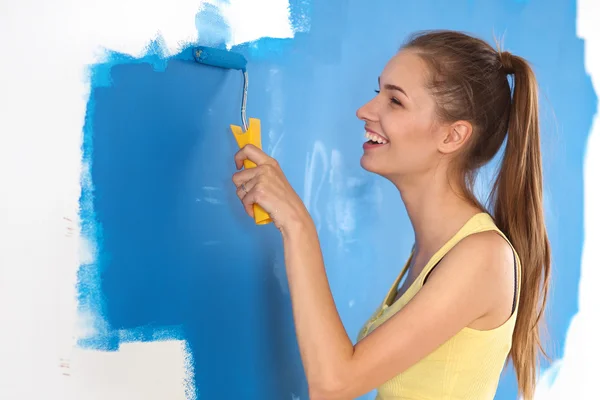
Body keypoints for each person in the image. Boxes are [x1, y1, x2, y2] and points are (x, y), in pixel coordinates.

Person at [231, 29, 551, 400]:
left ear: (452, 137)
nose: (364, 111)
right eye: (377, 92)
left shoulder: (483, 258)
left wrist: (298, 224)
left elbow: (334, 383)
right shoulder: (433, 252)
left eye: (395, 101)